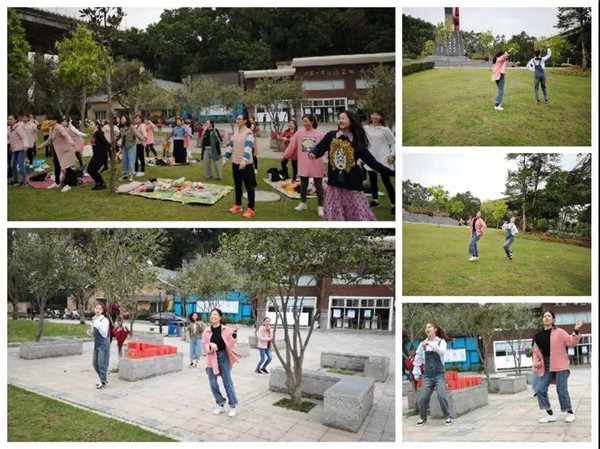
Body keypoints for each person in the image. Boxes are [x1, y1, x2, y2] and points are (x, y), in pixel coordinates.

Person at [308, 110, 395, 221]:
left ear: (352, 121)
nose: (340, 120)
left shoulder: (357, 142)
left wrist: (391, 172)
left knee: (358, 214)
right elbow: (320, 147)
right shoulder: (331, 135)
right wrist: (314, 153)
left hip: (353, 184)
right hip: (334, 184)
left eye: (343, 118)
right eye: (339, 118)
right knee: (335, 214)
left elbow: (372, 162)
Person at [533, 310, 583, 423]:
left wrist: (575, 331)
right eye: (544, 316)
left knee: (561, 390)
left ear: (553, 319)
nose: (546, 318)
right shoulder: (537, 335)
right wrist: (536, 364)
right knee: (540, 389)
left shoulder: (560, 332)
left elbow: (571, 342)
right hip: (546, 366)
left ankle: (569, 412)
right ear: (542, 319)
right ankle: (549, 414)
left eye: (549, 316)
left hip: (560, 365)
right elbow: (535, 352)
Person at [282, 114, 325, 216]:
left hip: (316, 163)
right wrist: (285, 155)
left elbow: (325, 148)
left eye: (306, 121)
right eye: (303, 121)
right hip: (303, 163)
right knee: (303, 184)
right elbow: (292, 145)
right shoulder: (299, 133)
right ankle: (303, 203)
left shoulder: (319, 134)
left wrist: (332, 160)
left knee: (318, 186)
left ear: (312, 121)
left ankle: (320, 207)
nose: (304, 123)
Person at [202, 308, 242, 417]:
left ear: (220, 317)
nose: (213, 316)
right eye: (212, 314)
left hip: (223, 357)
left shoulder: (225, 329)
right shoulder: (206, 331)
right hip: (211, 358)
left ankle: (233, 405)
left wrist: (234, 333)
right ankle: (220, 403)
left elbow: (230, 343)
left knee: (227, 383)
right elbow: (204, 345)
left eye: (216, 314)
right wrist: (210, 345)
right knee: (213, 384)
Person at [412, 322, 452, 426]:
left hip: (439, 374)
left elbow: (442, 352)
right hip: (427, 375)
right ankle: (422, 417)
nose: (427, 329)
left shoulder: (441, 342)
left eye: (429, 327)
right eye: (426, 327)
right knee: (423, 397)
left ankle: (447, 416)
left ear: (435, 329)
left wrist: (429, 344)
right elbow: (418, 357)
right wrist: (416, 373)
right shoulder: (422, 344)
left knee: (441, 396)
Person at [222, 113, 256, 218]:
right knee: (237, 185)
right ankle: (238, 205)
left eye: (240, 119)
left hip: (246, 164)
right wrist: (225, 158)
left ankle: (251, 208)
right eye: (237, 119)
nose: (237, 121)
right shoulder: (236, 132)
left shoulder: (249, 133)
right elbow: (230, 146)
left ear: (245, 121)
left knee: (249, 187)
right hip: (235, 163)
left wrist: (244, 160)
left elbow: (248, 147)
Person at [363, 109, 396, 215]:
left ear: (381, 117)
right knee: (373, 180)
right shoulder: (366, 128)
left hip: (383, 158)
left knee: (386, 182)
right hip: (371, 158)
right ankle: (375, 201)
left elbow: (393, 142)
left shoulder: (385, 129)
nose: (375, 116)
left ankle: (394, 205)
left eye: (377, 115)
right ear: (370, 116)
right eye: (373, 114)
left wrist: (392, 154)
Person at [36, 115, 78, 192]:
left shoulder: (59, 127)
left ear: (55, 121)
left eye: (50, 120)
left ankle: (68, 185)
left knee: (67, 168)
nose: (48, 121)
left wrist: (71, 141)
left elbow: (66, 135)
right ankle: (57, 182)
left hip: (65, 151)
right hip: (57, 152)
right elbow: (49, 140)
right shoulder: (52, 129)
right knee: (57, 167)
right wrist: (41, 146)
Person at [87, 303, 111, 389]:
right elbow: (93, 333)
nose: (97, 310)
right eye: (96, 308)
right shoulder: (94, 319)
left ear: (103, 311)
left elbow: (104, 333)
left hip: (103, 344)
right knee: (94, 363)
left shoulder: (105, 320)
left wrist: (96, 321)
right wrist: (89, 332)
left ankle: (103, 382)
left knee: (102, 364)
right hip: (96, 343)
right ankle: (103, 379)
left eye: (100, 309)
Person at [88, 120, 110, 190]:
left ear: (96, 126)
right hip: (95, 155)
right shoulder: (95, 133)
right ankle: (98, 182)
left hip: (100, 155)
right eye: (90, 124)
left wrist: (112, 146)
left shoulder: (99, 133)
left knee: (93, 170)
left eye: (92, 124)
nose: (90, 126)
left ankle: (102, 183)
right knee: (89, 169)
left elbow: (105, 142)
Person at [7, 114, 29, 186]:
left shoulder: (19, 128)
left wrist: (25, 147)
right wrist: (11, 147)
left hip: (21, 149)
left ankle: (24, 181)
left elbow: (24, 137)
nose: (9, 120)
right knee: (12, 165)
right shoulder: (10, 128)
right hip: (14, 150)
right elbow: (11, 139)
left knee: (20, 165)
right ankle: (14, 179)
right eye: (8, 119)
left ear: (15, 120)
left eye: (11, 119)